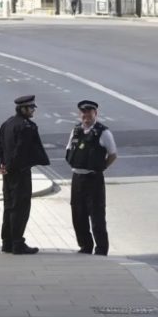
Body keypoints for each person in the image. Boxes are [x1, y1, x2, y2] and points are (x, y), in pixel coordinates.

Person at [0, 94, 50, 254]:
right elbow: (20, 151)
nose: (33, 110)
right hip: (20, 172)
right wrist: (11, 167)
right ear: (23, 109)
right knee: (20, 208)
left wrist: (1, 165)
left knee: (9, 206)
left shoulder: (7, 123)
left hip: (8, 173)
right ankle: (18, 243)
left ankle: (7, 242)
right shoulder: (26, 127)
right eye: (31, 108)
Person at [65, 99, 117, 256]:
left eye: (89, 112)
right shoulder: (76, 131)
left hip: (94, 179)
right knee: (78, 215)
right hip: (77, 178)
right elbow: (69, 150)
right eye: (83, 112)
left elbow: (112, 154)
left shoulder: (103, 132)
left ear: (95, 113)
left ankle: (101, 249)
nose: (86, 115)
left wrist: (101, 167)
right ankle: (85, 246)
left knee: (97, 216)